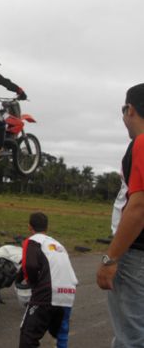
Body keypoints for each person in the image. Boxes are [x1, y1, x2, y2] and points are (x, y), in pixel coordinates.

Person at [97, 83, 144, 347]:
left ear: (131, 110)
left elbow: (139, 207)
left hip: (136, 256)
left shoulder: (141, 143)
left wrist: (110, 258)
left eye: (123, 109)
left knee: (131, 338)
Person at [19, 212, 78, 348]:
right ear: (47, 227)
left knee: (28, 336)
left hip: (47, 292)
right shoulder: (58, 244)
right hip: (68, 293)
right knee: (60, 337)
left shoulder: (32, 241)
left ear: (29, 227)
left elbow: (29, 265)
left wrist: (32, 283)